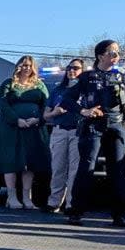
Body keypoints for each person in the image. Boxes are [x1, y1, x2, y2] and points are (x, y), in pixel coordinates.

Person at [63, 39, 125, 227]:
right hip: (93, 126)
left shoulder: (124, 78)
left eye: (118, 53)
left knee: (118, 170)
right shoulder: (87, 77)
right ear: (100, 56)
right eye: (112, 52)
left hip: (117, 127)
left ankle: (119, 214)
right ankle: (76, 212)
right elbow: (67, 100)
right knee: (86, 167)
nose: (116, 56)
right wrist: (84, 111)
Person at [0, 55, 50, 209]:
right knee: (11, 161)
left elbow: (47, 105)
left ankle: (27, 198)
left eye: (29, 65)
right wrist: (16, 120)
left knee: (29, 163)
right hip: (11, 128)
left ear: (33, 68)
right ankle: (11, 198)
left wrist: (37, 119)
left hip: (33, 129)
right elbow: (2, 104)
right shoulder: (9, 84)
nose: (26, 68)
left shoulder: (39, 85)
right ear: (18, 66)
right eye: (24, 65)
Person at [43, 59, 85, 212]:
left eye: (75, 68)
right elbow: (45, 115)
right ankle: (54, 202)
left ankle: (71, 204)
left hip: (78, 131)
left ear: (82, 71)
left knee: (75, 170)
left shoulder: (85, 90)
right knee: (58, 168)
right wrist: (55, 112)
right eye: (69, 68)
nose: (71, 71)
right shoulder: (58, 90)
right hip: (59, 130)